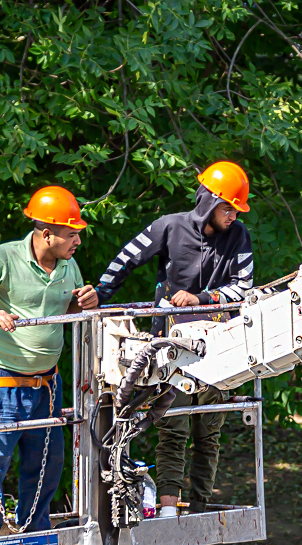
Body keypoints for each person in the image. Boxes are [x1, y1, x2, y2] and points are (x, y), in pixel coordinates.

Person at [94, 161, 255, 518]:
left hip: (218, 343)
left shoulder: (238, 235)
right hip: (171, 345)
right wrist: (100, 295)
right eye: (227, 207)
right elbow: (126, 258)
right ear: (208, 201)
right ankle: (168, 508)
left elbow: (245, 288)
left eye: (236, 209)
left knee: (208, 430)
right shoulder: (168, 227)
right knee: (172, 426)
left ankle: (196, 508)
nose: (232, 216)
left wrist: (202, 299)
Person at [0, 186, 100, 536]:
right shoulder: (4, 257)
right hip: (1, 378)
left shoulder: (69, 265)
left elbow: (69, 307)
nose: (78, 240)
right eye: (71, 234)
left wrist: (86, 301)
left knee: (48, 459)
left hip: (46, 382)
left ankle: (34, 528)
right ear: (47, 234)